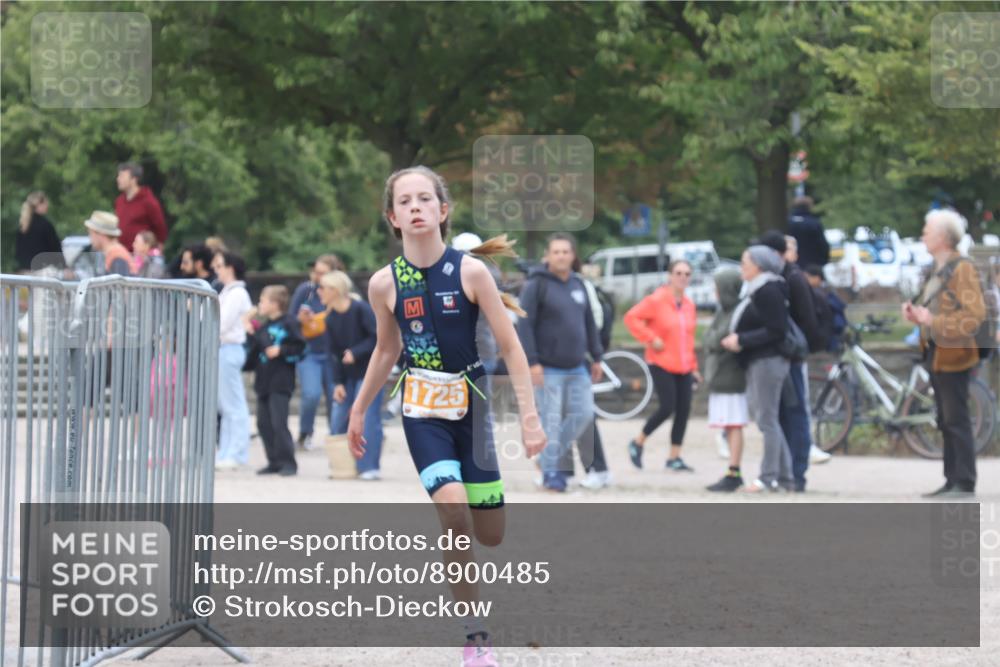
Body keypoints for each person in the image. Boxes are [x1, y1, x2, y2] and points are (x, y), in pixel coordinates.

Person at [345, 166, 545, 667]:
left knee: (490, 534)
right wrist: (358, 407)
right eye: (405, 201)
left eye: (424, 199)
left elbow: (511, 347)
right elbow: (386, 351)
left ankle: (476, 545)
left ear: (443, 209)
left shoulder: (473, 273)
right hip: (422, 411)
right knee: (452, 510)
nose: (415, 207)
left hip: (471, 408)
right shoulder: (383, 284)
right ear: (392, 217)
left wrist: (530, 417)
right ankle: (475, 637)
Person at [903, 209, 986, 497]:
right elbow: (937, 310)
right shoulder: (939, 267)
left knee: (956, 419)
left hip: (954, 355)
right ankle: (952, 479)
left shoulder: (961, 268)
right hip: (937, 354)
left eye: (927, 231)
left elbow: (974, 315)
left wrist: (932, 321)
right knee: (946, 419)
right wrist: (918, 316)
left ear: (942, 237)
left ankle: (964, 482)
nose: (923, 235)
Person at [517, 232, 603, 492]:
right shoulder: (536, 285)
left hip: (578, 366)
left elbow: (588, 323)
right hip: (548, 367)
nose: (561, 256)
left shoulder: (578, 285)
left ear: (573, 256)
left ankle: (546, 460)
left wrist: (597, 356)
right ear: (548, 255)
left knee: (583, 415)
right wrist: (532, 362)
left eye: (566, 252)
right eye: (556, 252)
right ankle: (552, 475)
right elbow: (524, 324)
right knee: (551, 423)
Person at [721, 246, 794, 492]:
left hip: (768, 360)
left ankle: (768, 476)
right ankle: (784, 477)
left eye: (745, 263)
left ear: (759, 266)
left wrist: (742, 340)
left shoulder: (768, 290)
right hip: (760, 360)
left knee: (767, 420)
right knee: (769, 419)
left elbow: (776, 330)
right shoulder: (759, 289)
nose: (742, 267)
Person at [623, 259, 702, 472]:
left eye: (687, 273)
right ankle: (638, 441)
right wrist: (650, 337)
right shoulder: (657, 300)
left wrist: (694, 366)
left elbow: (690, 338)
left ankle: (674, 457)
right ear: (670, 275)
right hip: (662, 362)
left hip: (684, 364)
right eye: (678, 273)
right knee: (668, 406)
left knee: (684, 410)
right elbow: (631, 318)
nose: (683, 277)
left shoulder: (689, 305)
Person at [758, 231, 822, 491]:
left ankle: (797, 473)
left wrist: (797, 348)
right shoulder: (781, 277)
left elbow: (807, 318)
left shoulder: (792, 278)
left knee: (796, 414)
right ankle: (788, 472)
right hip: (783, 354)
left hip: (791, 356)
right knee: (784, 413)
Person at [318, 270, 383, 479]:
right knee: (338, 417)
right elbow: (332, 354)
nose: (318, 292)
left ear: (335, 290)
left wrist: (356, 351)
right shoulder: (330, 318)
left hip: (369, 373)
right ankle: (343, 465)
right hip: (346, 376)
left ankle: (369, 467)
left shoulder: (360, 309)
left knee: (369, 417)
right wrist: (337, 383)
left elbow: (378, 339)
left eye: (322, 288)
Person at [242, 285, 305, 476]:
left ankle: (288, 462)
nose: (259, 304)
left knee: (279, 422)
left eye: (263, 300)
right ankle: (274, 461)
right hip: (263, 380)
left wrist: (281, 350)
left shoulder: (290, 322)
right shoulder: (264, 327)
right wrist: (249, 330)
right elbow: (255, 350)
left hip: (281, 380)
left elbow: (300, 347)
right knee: (263, 423)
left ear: (275, 303)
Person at [290, 254, 345, 451]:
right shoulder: (306, 290)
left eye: (322, 273)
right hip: (309, 351)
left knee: (335, 396)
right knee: (310, 394)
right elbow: (290, 318)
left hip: (333, 353)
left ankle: (336, 435)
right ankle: (305, 432)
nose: (317, 276)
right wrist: (301, 320)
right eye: (316, 272)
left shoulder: (341, 293)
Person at [705, 269, 750, 492]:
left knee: (734, 424)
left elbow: (716, 339)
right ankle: (732, 468)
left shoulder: (736, 312)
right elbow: (709, 338)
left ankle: (734, 470)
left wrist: (714, 339)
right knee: (728, 424)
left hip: (731, 375)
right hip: (720, 375)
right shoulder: (722, 311)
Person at [213, 251, 253, 471]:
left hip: (229, 347)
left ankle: (236, 452)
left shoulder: (237, 293)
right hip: (223, 349)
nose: (216, 270)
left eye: (220, 266)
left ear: (230, 268)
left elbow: (223, 323)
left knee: (233, 405)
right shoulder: (228, 292)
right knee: (226, 405)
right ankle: (228, 451)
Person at [114, 162, 167, 252]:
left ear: (134, 179)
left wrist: (156, 253)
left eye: (122, 176)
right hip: (122, 254)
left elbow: (160, 230)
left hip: (141, 258)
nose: (118, 179)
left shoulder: (148, 201)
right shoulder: (119, 201)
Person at [15, 191, 64, 272]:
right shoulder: (45, 225)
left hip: (24, 272)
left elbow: (18, 253)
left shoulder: (23, 226)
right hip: (43, 272)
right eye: (45, 203)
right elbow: (56, 248)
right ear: (39, 205)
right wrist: (64, 266)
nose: (47, 206)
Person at [83, 211, 132, 276]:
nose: (90, 238)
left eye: (91, 234)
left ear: (101, 234)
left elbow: (118, 285)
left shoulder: (117, 258)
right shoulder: (114, 254)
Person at [787, 195, 829, 269]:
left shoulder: (787, 222)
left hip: (791, 264)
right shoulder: (814, 223)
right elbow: (822, 244)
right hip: (812, 265)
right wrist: (823, 261)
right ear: (809, 207)